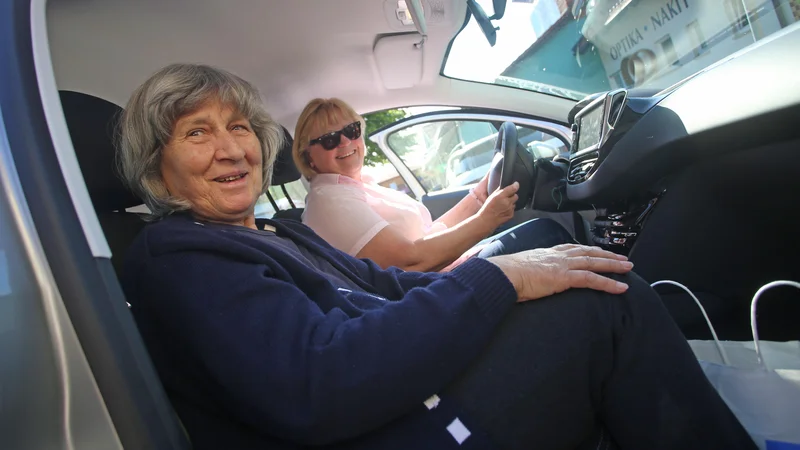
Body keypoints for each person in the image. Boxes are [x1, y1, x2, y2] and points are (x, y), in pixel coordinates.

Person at [118, 63, 756, 450]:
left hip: (404, 395)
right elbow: (322, 384)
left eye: (237, 127)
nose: (230, 149)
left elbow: (389, 283)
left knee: (557, 255)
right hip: (397, 432)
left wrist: (503, 261)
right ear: (156, 165)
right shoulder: (178, 257)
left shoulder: (275, 229)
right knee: (606, 304)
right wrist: (494, 279)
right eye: (197, 132)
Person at [293, 98, 576, 272]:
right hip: (434, 289)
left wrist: (479, 196)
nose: (345, 142)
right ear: (309, 156)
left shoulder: (353, 187)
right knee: (547, 232)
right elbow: (410, 261)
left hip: (439, 273)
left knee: (544, 235)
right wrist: (486, 220)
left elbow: (426, 235)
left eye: (351, 131)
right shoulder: (330, 200)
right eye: (330, 139)